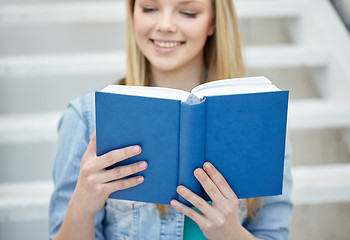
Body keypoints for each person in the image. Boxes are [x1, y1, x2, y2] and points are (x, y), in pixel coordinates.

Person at [49, 0, 293, 239]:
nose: (165, 25)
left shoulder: (261, 119)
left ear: (213, 22)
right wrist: (81, 206)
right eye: (150, 8)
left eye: (188, 12)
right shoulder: (88, 118)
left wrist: (231, 234)